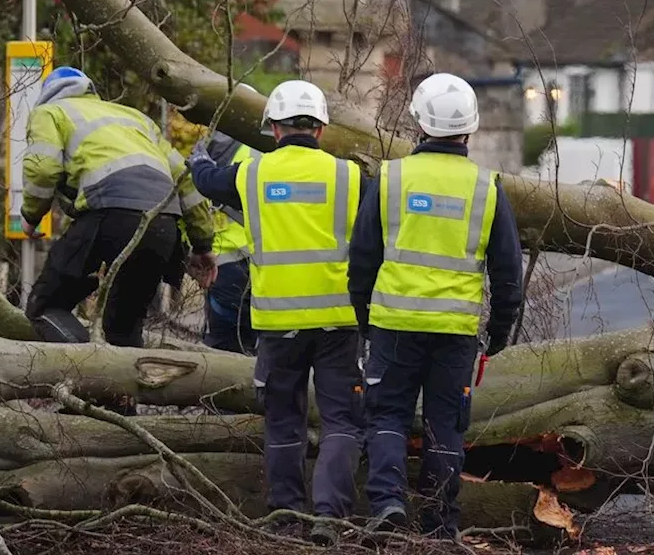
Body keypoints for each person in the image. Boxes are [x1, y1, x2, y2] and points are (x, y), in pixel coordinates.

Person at [187, 79, 366, 546]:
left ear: (273, 129)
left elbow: (206, 180)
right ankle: (331, 516)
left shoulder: (252, 174)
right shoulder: (350, 176)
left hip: (278, 323)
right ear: (322, 130)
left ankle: (287, 514)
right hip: (338, 322)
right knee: (341, 419)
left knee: (284, 419)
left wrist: (198, 155)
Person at [349, 72, 523, 540]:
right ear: (471, 129)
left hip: (393, 325)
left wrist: (365, 319)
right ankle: (439, 524)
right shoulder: (486, 188)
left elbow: (362, 257)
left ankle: (387, 504)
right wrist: (499, 333)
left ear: (418, 125)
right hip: (455, 332)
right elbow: (508, 273)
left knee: (386, 416)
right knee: (444, 424)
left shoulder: (391, 177)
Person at [22, 66, 217, 348]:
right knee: (123, 331)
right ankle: (119, 389)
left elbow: (42, 170)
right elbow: (184, 180)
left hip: (109, 214)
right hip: (162, 225)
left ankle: (83, 370)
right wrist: (203, 246)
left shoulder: (50, 113)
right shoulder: (134, 118)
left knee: (45, 307)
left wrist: (31, 215)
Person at [201, 129, 261, 354]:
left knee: (224, 347)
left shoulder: (206, 152)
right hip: (267, 260)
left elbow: (194, 207)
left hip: (223, 263)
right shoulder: (266, 149)